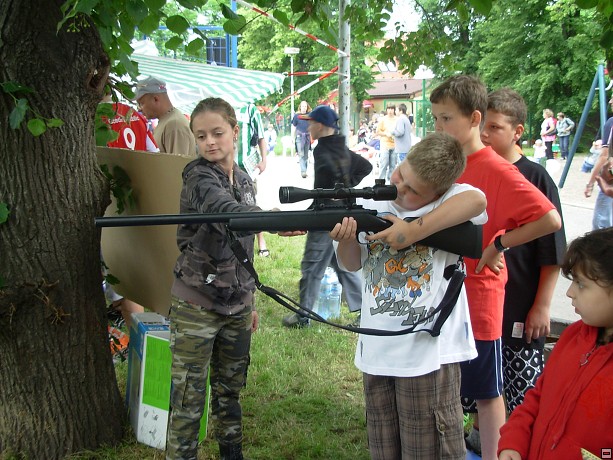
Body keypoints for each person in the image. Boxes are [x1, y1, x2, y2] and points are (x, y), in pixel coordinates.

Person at [415, 75, 560, 460]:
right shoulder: (448, 165)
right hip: (440, 296)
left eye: (446, 118)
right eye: (435, 118)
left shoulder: (496, 168)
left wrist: (499, 244)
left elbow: (549, 219)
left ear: (474, 118)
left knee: (487, 392)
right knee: (444, 387)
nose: (438, 127)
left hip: (478, 301)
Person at [331, 132, 487, 459]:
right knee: (384, 447)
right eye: (401, 174)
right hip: (378, 349)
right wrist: (346, 239)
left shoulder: (451, 202)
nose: (400, 188)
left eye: (414, 190)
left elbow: (477, 201)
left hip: (429, 354)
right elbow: (351, 263)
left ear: (440, 192)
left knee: (429, 448)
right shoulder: (372, 201)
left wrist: (413, 231)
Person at [165, 97, 261, 460]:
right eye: (201, 135)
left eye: (217, 133)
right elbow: (223, 210)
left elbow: (246, 250)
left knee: (230, 392)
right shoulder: (197, 176)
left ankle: (231, 454)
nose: (209, 142)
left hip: (237, 305)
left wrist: (250, 301)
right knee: (188, 400)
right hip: (196, 304)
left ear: (235, 132)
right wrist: (272, 219)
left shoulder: (245, 178)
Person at [481, 88, 567, 419]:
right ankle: (482, 438)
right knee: (483, 388)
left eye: (495, 127)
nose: (485, 135)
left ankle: (521, 441)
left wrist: (542, 306)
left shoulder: (536, 178)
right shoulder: (477, 172)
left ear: (517, 131)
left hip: (519, 303)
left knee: (522, 395)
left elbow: (552, 250)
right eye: (482, 126)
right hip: (483, 303)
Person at [497, 227, 613, 460]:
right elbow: (538, 397)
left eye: (581, 284)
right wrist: (514, 442)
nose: (569, 292)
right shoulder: (573, 337)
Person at [281, 105, 372, 328]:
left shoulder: (322, 150)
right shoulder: (338, 146)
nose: (308, 127)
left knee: (311, 266)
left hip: (326, 216)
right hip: (339, 214)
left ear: (320, 126)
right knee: (341, 267)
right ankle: (367, 313)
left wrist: (333, 195)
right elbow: (365, 167)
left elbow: (323, 187)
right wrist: (346, 188)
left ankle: (303, 317)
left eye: (311, 123)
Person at [237, 103, 270, 257]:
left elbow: (261, 136)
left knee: (251, 202)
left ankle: (260, 240)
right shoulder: (222, 103)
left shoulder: (250, 108)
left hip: (247, 168)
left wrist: (264, 160)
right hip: (226, 166)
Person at [135, 76, 196, 157]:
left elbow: (177, 163)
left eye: (141, 103)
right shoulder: (168, 121)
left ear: (155, 99)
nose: (139, 109)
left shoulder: (174, 124)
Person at [585, 95, 613, 230]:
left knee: (601, 225)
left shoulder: (611, 123)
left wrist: (590, 183)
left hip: (610, 179)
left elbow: (604, 156)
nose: (610, 101)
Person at [376, 104, 397, 182]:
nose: (390, 111)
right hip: (385, 144)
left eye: (392, 109)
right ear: (386, 110)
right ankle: (380, 181)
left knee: (393, 165)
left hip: (395, 144)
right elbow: (378, 132)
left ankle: (391, 182)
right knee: (384, 163)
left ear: (394, 110)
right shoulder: (383, 120)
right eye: (389, 109)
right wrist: (386, 134)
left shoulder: (397, 119)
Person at [292, 100, 312, 178]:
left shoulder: (309, 116)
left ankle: (305, 170)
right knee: (301, 154)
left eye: (305, 106)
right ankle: (303, 171)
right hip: (299, 137)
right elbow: (294, 127)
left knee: (306, 155)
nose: (304, 108)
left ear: (307, 107)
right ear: (300, 107)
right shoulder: (297, 116)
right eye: (303, 106)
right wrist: (293, 137)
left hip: (307, 137)